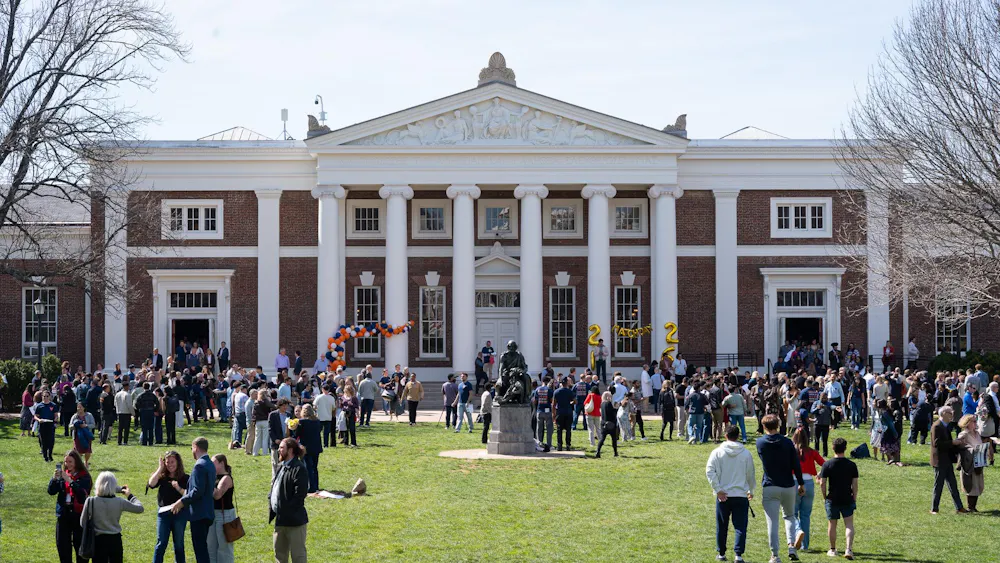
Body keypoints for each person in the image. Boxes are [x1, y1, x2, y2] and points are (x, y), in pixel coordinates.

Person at [756, 414, 805, 563]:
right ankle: (791, 546)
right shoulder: (787, 442)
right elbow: (795, 464)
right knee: (789, 516)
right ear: (778, 425)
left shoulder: (760, 443)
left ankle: (775, 555)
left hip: (770, 485)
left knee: (772, 522)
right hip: (788, 485)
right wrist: (801, 483)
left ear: (764, 426)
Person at [706, 425, 755, 563]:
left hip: (724, 495)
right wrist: (751, 490)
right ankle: (738, 555)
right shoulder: (745, 453)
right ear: (738, 436)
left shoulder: (717, 452)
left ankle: (721, 553)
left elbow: (710, 471)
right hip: (740, 494)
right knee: (740, 526)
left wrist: (718, 489)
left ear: (725, 435)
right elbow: (750, 474)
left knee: (722, 525)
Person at [169, 437, 217, 563]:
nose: (192, 451)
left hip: (199, 514)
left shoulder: (199, 466)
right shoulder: (210, 464)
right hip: (208, 513)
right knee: (202, 549)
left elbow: (197, 491)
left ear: (195, 447)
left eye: (192, 448)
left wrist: (181, 502)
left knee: (200, 551)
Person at [85, 471, 144, 563]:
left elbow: (82, 523)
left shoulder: (91, 501)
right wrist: (129, 495)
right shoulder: (120, 502)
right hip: (115, 540)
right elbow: (140, 508)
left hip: (98, 541)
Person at [270, 438, 309, 563]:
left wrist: (286, 510)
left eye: (282, 448)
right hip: (281, 520)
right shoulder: (281, 466)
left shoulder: (299, 469)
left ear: (290, 450)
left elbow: (300, 496)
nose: (279, 450)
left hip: (295, 521)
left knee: (298, 556)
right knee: (279, 555)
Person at [48, 450, 91, 563]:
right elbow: (51, 491)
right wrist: (54, 479)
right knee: (62, 545)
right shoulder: (62, 475)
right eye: (66, 462)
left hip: (78, 515)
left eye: (70, 461)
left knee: (80, 547)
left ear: (77, 462)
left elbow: (83, 495)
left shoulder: (84, 477)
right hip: (63, 513)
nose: (67, 464)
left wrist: (70, 481)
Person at [819, 438, 858, 560]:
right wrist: (854, 498)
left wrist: (825, 496)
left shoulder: (827, 464)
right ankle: (848, 549)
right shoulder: (852, 465)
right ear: (845, 448)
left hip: (832, 498)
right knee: (849, 525)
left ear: (832, 448)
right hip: (847, 497)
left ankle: (833, 549)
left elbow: (822, 483)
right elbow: (855, 485)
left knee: (832, 525)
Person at [149, 450, 189, 563]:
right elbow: (151, 484)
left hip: (179, 514)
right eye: (167, 462)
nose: (170, 465)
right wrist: (160, 468)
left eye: (172, 462)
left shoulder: (185, 478)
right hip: (163, 514)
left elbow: (189, 495)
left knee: (179, 544)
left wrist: (178, 488)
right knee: (161, 543)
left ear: (178, 463)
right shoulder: (162, 477)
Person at [791, 427, 824, 552]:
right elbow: (824, 464)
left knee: (792, 513)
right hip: (809, 483)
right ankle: (805, 545)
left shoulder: (791, 452)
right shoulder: (811, 452)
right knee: (805, 515)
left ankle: (797, 532)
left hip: (793, 483)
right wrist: (819, 474)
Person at [954, 414, 986, 512]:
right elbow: (960, 447)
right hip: (969, 463)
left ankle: (973, 507)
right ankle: (970, 507)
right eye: (973, 421)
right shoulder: (963, 434)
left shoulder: (977, 433)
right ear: (967, 423)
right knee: (971, 484)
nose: (975, 423)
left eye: (975, 421)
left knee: (978, 483)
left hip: (979, 461)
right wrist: (971, 449)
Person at [207, 454, 236, 563]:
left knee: (224, 549)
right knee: (211, 547)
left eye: (213, 463)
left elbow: (217, 495)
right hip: (213, 513)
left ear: (221, 463)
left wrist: (209, 480)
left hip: (225, 515)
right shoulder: (214, 477)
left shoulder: (226, 478)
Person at [293, 404, 323, 492]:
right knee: (314, 467)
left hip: (306, 447)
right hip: (316, 446)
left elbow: (297, 434)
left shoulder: (301, 422)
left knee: (308, 467)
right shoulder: (317, 421)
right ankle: (316, 485)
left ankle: (310, 486)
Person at [269, 398, 293, 477]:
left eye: (286, 406)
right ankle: (274, 482)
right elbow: (270, 429)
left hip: (286, 443)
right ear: (279, 406)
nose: (285, 407)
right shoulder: (273, 415)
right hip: (276, 444)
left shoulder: (289, 415)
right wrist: (275, 439)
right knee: (276, 464)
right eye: (283, 406)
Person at [70, 403, 96, 467]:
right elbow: (70, 426)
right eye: (78, 407)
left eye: (80, 407)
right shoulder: (75, 416)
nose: (79, 408)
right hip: (77, 436)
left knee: (88, 450)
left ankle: (86, 462)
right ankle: (79, 463)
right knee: (77, 451)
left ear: (84, 408)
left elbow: (93, 425)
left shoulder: (89, 415)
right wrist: (76, 426)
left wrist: (85, 425)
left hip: (86, 435)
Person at [532, 376, 554, 452]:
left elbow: (535, 401)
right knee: (549, 429)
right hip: (547, 411)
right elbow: (551, 400)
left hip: (539, 411)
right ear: (548, 382)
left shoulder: (537, 390)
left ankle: (539, 444)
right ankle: (549, 444)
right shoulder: (549, 390)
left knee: (539, 429)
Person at [34, 390, 58, 462]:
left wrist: (55, 420)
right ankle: (45, 456)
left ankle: (50, 455)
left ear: (50, 397)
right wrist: (39, 420)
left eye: (47, 396)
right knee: (43, 441)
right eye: (44, 396)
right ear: (42, 397)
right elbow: (35, 416)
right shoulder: (39, 406)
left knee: (51, 441)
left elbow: (56, 415)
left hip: (50, 424)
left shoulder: (53, 405)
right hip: (42, 424)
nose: (45, 398)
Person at [553, 377, 575, 450]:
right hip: (568, 412)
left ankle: (559, 445)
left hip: (559, 412)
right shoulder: (569, 391)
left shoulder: (556, 392)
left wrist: (553, 414)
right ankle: (568, 445)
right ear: (567, 383)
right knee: (568, 429)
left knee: (559, 430)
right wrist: (570, 402)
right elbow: (575, 401)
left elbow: (554, 404)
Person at [596, 390, 618, 458]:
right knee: (614, 439)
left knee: (602, 439)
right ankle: (615, 452)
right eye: (610, 396)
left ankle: (598, 451)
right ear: (607, 397)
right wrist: (616, 408)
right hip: (611, 423)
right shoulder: (608, 403)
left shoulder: (602, 404)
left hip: (603, 423)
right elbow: (612, 413)